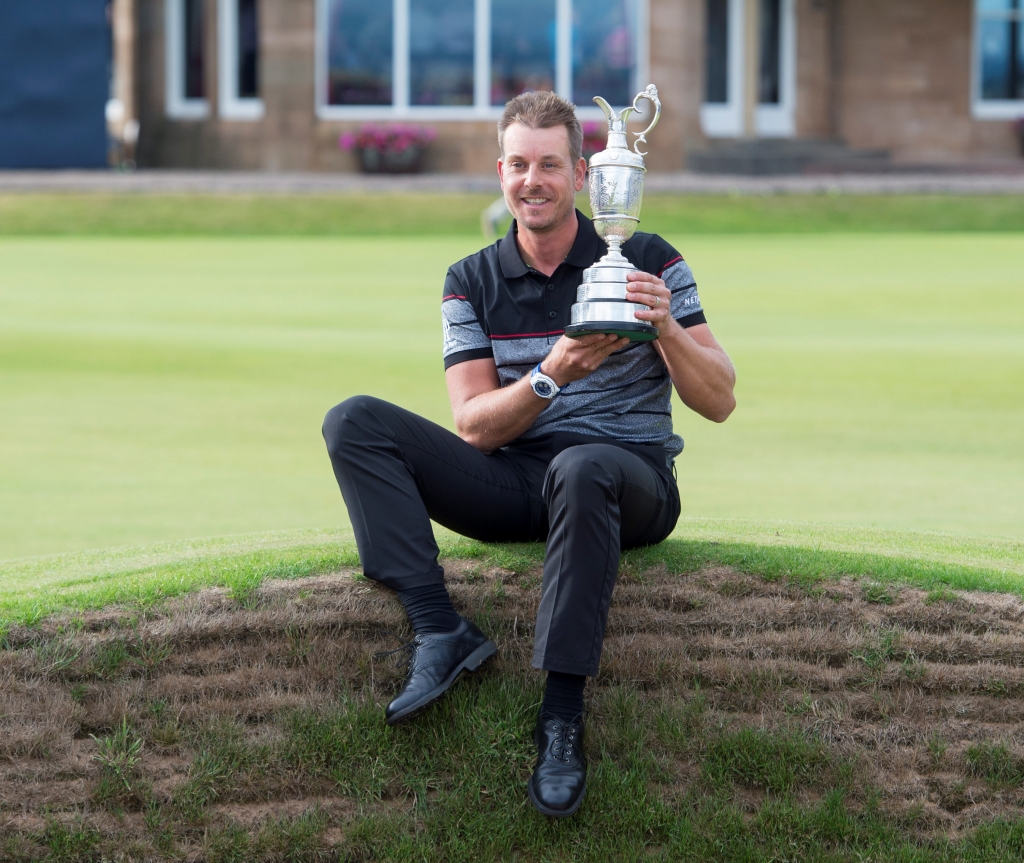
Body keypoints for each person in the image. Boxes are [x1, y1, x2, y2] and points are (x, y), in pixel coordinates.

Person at [322, 91, 736, 817]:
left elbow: (720, 399)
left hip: (630, 477)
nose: (531, 181)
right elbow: (475, 426)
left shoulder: (647, 257)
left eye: (549, 165)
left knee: (583, 466)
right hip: (519, 476)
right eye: (518, 165)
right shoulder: (469, 279)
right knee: (354, 421)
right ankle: (439, 627)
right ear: (500, 171)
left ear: (582, 174)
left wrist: (666, 327)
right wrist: (554, 373)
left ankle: (560, 720)